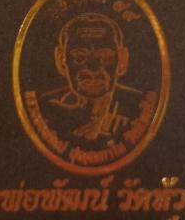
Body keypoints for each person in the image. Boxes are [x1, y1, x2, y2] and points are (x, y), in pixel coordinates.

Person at [38, 12, 144, 147]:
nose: (93, 70)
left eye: (105, 57)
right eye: (79, 58)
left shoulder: (139, 105)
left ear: (122, 60)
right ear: (61, 60)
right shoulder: (46, 107)